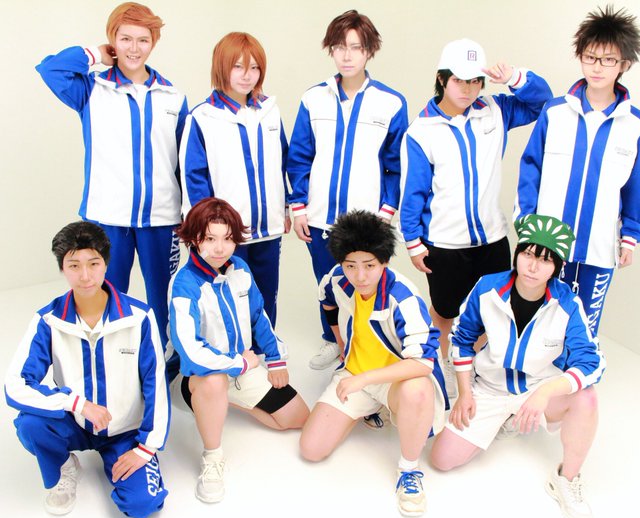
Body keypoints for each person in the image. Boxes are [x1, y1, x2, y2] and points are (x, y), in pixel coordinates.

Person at [430, 214, 605, 518]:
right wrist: (465, 393)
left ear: (556, 267)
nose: (533, 266)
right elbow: (461, 338)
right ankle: (504, 420)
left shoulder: (567, 303)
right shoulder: (487, 288)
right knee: (441, 460)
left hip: (539, 387)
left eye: (545, 260)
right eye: (528, 254)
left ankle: (566, 479)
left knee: (587, 398)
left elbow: (592, 362)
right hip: (490, 388)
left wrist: (546, 392)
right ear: (517, 254)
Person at [35, 2, 188, 348]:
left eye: (143, 40)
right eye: (125, 39)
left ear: (153, 43)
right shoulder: (92, 89)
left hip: (162, 218)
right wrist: (95, 55)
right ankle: (110, 354)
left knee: (164, 294)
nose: (134, 48)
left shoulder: (173, 97)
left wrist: (186, 212)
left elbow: (182, 161)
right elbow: (50, 69)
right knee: (105, 292)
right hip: (107, 217)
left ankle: (164, 355)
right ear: (112, 41)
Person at [399, 38, 552, 370]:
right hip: (445, 244)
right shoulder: (421, 130)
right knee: (445, 312)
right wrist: (412, 242)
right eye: (459, 80)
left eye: (474, 81)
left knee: (492, 311)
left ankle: (477, 371)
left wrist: (514, 78)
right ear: (442, 78)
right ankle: (440, 369)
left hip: (492, 239)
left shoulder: (496, 110)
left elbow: (543, 103)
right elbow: (413, 192)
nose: (467, 89)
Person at [5, 222, 169, 518]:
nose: (85, 275)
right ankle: (64, 466)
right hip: (76, 424)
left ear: (106, 263)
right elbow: (15, 385)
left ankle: (125, 460)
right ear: (62, 269)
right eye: (74, 265)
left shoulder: (138, 318)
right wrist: (77, 404)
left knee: (143, 505)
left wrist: (146, 448)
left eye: (93, 263)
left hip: (124, 432)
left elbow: (155, 384)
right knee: (30, 425)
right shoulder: (49, 320)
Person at [299, 210, 447, 517]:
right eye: (351, 265)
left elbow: (423, 363)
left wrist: (364, 380)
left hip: (397, 381)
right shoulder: (338, 279)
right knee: (311, 450)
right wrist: (339, 340)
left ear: (384, 262)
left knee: (418, 390)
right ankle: (371, 408)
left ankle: (409, 469)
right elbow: (326, 300)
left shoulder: (402, 296)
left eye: (369, 265)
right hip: (355, 373)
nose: (360, 276)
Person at [515, 6, 640, 336]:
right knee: (539, 318)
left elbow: (635, 186)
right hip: (547, 242)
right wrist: (526, 220)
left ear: (624, 64)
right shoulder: (555, 112)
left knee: (585, 326)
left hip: (599, 245)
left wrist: (630, 237)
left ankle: (579, 366)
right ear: (581, 57)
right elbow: (530, 167)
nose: (597, 67)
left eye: (608, 60)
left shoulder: (635, 124)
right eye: (590, 57)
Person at [287, 10, 408, 370]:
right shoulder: (314, 98)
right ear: (331, 50)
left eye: (356, 47)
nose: (347, 55)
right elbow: (299, 156)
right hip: (320, 216)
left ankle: (367, 348)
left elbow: (395, 164)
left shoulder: (391, 102)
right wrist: (298, 206)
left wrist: (386, 212)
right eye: (340, 47)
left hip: (366, 221)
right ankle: (334, 341)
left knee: (365, 284)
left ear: (369, 50)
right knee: (328, 283)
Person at [167, 197, 309, 504]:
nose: (220, 248)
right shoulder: (184, 284)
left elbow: (259, 316)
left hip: (240, 368)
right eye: (210, 239)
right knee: (214, 382)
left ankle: (222, 402)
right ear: (194, 238)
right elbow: (190, 351)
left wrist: (276, 360)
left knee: (298, 418)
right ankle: (212, 456)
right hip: (194, 377)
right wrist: (240, 365)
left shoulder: (240, 269)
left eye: (228, 238)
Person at [180, 32, 289, 326]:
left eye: (254, 67)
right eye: (238, 66)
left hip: (268, 229)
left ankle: (265, 348)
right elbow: (194, 177)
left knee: (265, 297)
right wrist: (205, 229)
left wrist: (285, 209)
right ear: (222, 67)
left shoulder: (270, 111)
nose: (247, 75)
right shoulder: (202, 117)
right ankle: (228, 350)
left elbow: (282, 162)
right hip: (225, 234)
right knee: (224, 299)